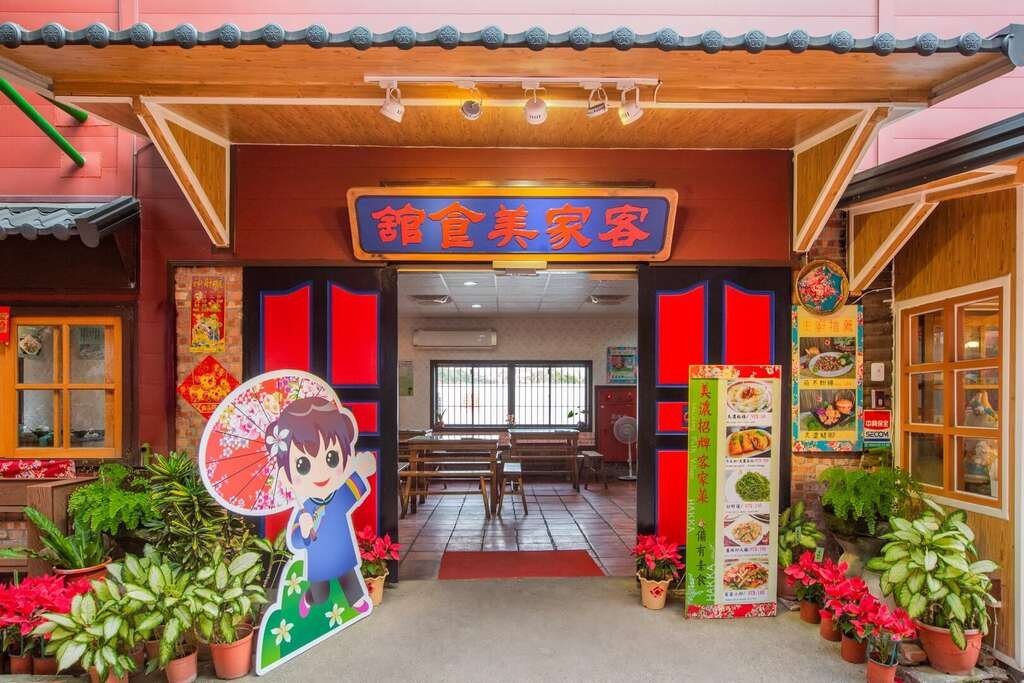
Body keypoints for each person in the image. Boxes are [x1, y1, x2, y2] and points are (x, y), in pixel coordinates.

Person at [265, 396, 376, 617]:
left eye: (332, 458)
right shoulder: (305, 506)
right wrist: (304, 530)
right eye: (302, 464)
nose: (320, 472)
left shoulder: (336, 496)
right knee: (321, 594)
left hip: (341, 549)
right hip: (318, 558)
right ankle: (309, 598)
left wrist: (360, 472)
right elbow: (296, 540)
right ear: (285, 473)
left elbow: (353, 490)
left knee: (349, 577)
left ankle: (355, 600)